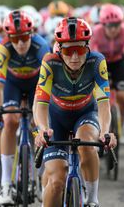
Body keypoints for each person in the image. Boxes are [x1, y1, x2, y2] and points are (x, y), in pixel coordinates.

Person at [34, 17, 117, 207]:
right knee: (56, 181)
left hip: (85, 114)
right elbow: (40, 104)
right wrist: (42, 129)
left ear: (87, 48)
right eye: (68, 51)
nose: (74, 57)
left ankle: (92, 200)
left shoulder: (97, 62)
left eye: (79, 50)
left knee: (87, 143)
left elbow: (104, 103)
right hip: (55, 120)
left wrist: (106, 131)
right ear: (59, 49)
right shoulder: (50, 62)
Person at [0, 10, 50, 205]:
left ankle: (43, 179)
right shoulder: (3, 48)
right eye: (14, 38)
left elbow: (49, 84)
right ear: (8, 37)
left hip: (37, 84)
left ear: (31, 33)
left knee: (40, 126)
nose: (20, 43)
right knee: (9, 121)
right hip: (13, 85)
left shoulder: (41, 46)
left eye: (24, 37)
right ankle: (6, 183)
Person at [90, 3, 124, 144]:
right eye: (110, 26)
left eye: (117, 25)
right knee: (98, 96)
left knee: (123, 96)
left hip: (118, 62)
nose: (114, 29)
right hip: (101, 62)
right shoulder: (96, 32)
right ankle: (99, 124)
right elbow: (93, 55)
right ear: (103, 24)